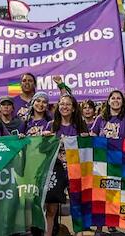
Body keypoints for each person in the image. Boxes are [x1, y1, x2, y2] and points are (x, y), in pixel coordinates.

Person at [44, 94, 88, 236]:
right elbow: (42, 150)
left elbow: (87, 149)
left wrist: (87, 139)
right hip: (55, 171)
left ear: (74, 108)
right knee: (51, 209)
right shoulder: (51, 126)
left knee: (77, 206)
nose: (64, 107)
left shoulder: (80, 126)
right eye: (62, 104)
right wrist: (43, 139)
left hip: (75, 170)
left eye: (68, 104)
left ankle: (79, 233)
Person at [91, 72, 125, 139]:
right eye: (113, 98)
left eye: (118, 98)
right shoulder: (100, 118)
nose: (115, 100)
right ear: (108, 102)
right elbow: (93, 135)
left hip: (121, 149)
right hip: (104, 149)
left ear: (122, 102)